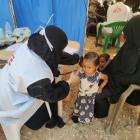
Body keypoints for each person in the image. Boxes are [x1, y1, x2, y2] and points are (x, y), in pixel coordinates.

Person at [0, 25, 79, 130]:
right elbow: (52, 95)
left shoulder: (33, 43)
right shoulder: (36, 75)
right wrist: (68, 82)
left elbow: (54, 55)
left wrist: (75, 59)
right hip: (11, 106)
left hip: (7, 85)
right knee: (37, 123)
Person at [94, 15, 140, 118]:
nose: (125, 35)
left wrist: (112, 79)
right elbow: (116, 62)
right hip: (116, 78)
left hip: (129, 87)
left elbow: (136, 78)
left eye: (129, 32)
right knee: (90, 84)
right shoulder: (131, 44)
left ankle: (101, 112)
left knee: (94, 94)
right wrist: (103, 72)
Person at [69, 52, 108, 123]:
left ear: (96, 67)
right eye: (84, 66)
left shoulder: (98, 75)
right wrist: (79, 69)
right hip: (81, 93)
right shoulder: (82, 72)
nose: (86, 69)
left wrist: (100, 87)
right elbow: (75, 75)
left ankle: (83, 119)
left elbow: (106, 78)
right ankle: (76, 115)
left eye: (89, 67)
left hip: (90, 96)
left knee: (86, 108)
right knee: (79, 104)